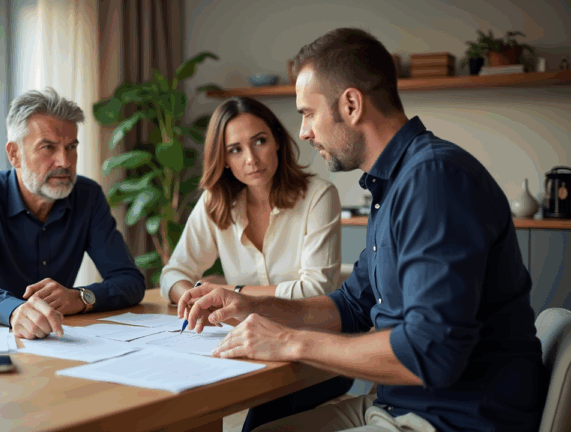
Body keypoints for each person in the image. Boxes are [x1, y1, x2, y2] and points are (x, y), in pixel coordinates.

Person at [179, 28, 548, 432]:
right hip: (397, 405)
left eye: (307, 113)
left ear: (351, 104)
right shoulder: (392, 184)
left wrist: (288, 340)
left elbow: (430, 353)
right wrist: (250, 305)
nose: (303, 132)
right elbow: (351, 307)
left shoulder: (434, 181)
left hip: (454, 419)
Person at [160, 96, 352, 432]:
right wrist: (193, 296)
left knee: (258, 424)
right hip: (251, 348)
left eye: (259, 141)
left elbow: (316, 290)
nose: (251, 159)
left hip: (315, 351)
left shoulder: (319, 196)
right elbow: (174, 273)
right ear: (223, 159)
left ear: (277, 141)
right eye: (235, 149)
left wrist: (230, 292)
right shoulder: (216, 202)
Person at [0, 87, 146, 340]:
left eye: (71, 147)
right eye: (48, 147)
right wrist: (15, 311)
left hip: (50, 341)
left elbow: (130, 281)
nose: (65, 161)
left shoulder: (87, 195)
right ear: (14, 154)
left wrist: (81, 297)